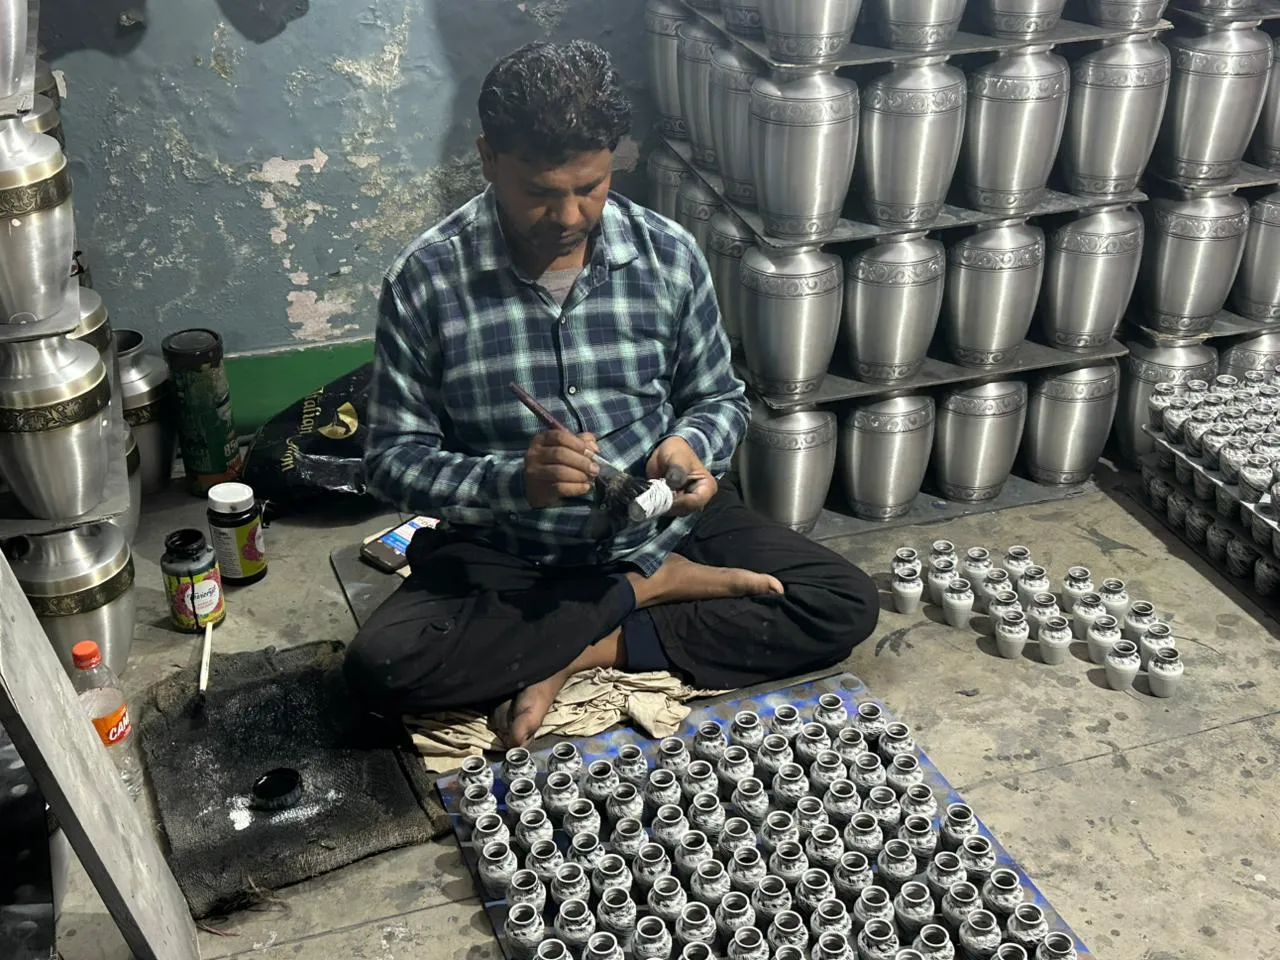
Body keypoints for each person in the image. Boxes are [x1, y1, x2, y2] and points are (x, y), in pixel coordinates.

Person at [344, 39, 879, 747]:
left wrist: (688, 446)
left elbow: (720, 397)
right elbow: (392, 461)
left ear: (613, 160)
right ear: (488, 159)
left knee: (841, 602)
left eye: (589, 187)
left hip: (661, 525)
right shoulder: (427, 280)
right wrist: (514, 482)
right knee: (381, 669)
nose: (568, 216)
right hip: (513, 548)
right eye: (540, 193)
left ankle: (580, 646)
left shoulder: (667, 253)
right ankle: (646, 590)